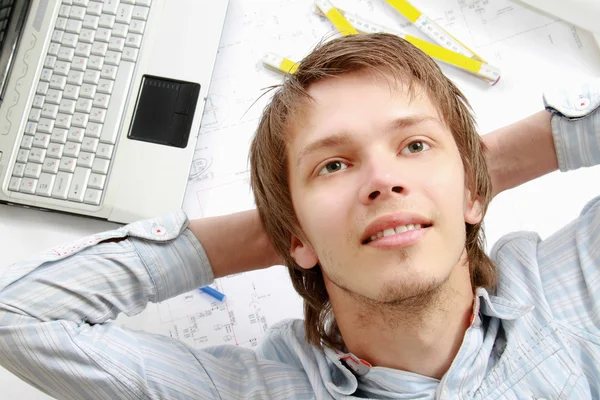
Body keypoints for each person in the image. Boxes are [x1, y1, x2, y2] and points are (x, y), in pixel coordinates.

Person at [0, 33, 598, 399]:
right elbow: (15, 315)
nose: (384, 179)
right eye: (334, 166)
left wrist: (484, 170)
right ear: (295, 238)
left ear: (475, 189)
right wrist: (295, 228)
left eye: (414, 146)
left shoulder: (575, 285)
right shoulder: (252, 393)